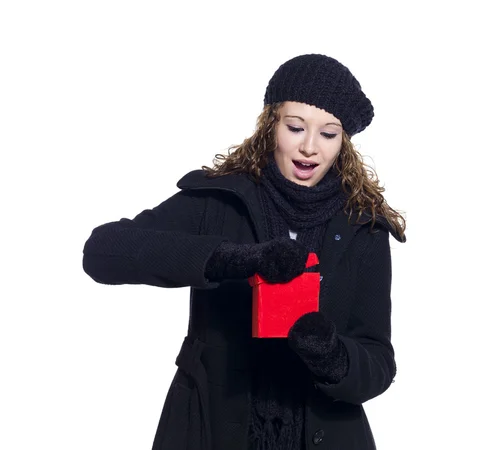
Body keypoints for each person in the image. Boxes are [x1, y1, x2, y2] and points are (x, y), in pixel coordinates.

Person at [82, 53, 406, 450]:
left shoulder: (364, 227)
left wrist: (333, 356)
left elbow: (377, 362)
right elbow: (103, 251)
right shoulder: (220, 200)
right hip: (212, 428)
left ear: (343, 142)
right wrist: (230, 259)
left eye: (328, 134)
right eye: (295, 127)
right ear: (271, 125)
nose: (309, 147)